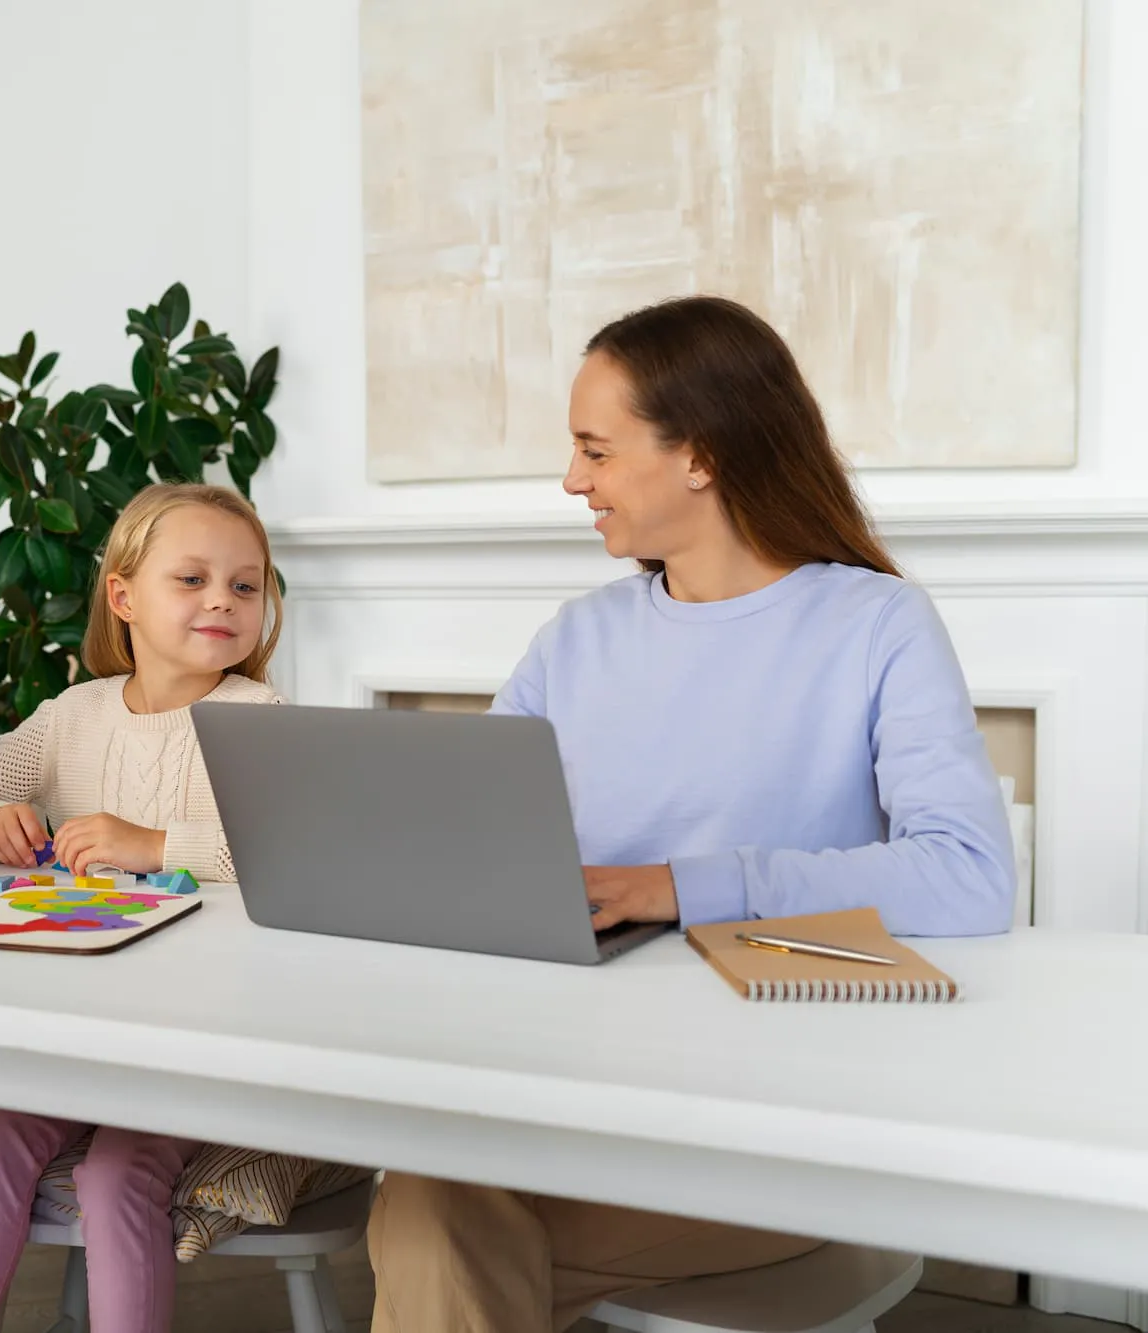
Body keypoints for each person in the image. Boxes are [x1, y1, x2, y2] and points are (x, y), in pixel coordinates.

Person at [367, 295, 1016, 1332]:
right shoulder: (573, 639)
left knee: (430, 1216)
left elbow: (969, 877)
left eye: (593, 449)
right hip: (570, 1089)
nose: (570, 479)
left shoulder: (875, 623)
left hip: (781, 1122)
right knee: (434, 1196)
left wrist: (677, 885)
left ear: (699, 455)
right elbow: (470, 841)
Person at [0, 483, 287, 1333]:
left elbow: (290, 856)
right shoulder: (73, 715)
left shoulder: (261, 719)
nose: (222, 599)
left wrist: (151, 845)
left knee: (118, 1173)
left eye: (245, 584)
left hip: (202, 1040)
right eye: (190, 578)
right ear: (123, 596)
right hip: (80, 1030)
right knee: (1, 1131)